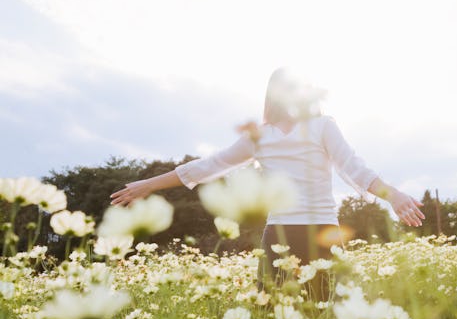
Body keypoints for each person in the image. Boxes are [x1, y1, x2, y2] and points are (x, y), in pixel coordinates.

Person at [109, 67, 425, 299]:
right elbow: (209, 166)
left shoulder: (322, 126)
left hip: (323, 233)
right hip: (279, 236)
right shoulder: (259, 137)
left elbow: (355, 168)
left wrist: (393, 195)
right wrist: (149, 184)